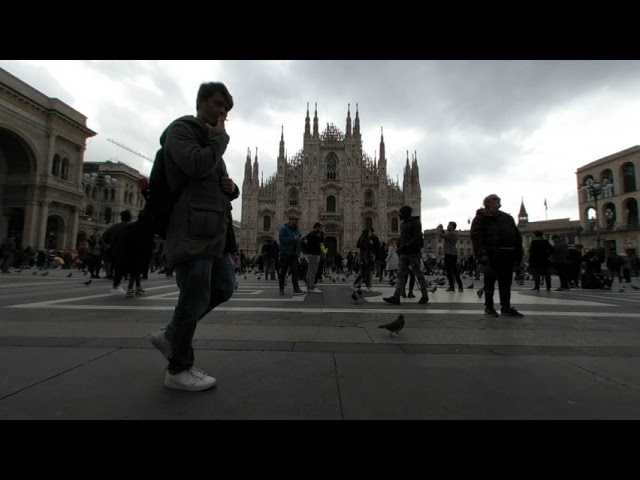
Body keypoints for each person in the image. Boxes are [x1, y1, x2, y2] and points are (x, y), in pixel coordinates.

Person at [148, 81, 238, 392]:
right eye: (217, 104)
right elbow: (197, 166)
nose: (222, 111)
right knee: (194, 296)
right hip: (190, 228)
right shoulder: (182, 131)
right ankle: (178, 369)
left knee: (225, 286)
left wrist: (231, 188)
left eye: (226, 107)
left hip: (214, 231)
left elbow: (212, 177)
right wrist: (220, 140)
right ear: (200, 102)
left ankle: (172, 334)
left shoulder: (210, 140)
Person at [470, 194, 524, 318]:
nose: (498, 200)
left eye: (498, 199)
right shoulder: (481, 217)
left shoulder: (507, 217)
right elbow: (476, 236)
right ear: (487, 203)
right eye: (494, 199)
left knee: (506, 282)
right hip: (491, 254)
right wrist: (481, 254)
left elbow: (517, 238)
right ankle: (489, 307)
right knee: (489, 281)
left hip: (507, 253)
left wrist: (517, 257)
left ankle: (506, 307)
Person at [383, 205, 430, 305]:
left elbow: (417, 237)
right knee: (400, 275)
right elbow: (403, 238)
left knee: (418, 275)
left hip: (413, 253)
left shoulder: (416, 222)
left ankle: (425, 295)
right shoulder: (403, 224)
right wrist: (400, 248)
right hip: (403, 254)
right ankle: (396, 296)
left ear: (406, 213)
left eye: (401, 213)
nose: (399, 215)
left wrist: (405, 246)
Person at [102, 210, 132, 293]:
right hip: (128, 251)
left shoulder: (114, 227)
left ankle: (116, 285)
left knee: (117, 268)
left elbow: (104, 236)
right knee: (125, 269)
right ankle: (119, 286)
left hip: (115, 250)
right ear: (130, 218)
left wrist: (111, 243)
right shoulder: (131, 227)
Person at [278, 215, 304, 296]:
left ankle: (296, 288)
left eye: (297, 220)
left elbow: (298, 241)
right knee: (283, 272)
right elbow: (281, 239)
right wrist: (293, 239)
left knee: (295, 272)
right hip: (285, 253)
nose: (296, 221)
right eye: (295, 220)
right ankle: (281, 289)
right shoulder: (283, 229)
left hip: (294, 254)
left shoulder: (297, 230)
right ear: (290, 220)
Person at [436, 221, 464, 292]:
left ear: (452, 226)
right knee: (453, 271)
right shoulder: (452, 233)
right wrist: (442, 230)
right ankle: (457, 286)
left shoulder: (452, 234)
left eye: (448, 225)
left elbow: (442, 236)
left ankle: (455, 286)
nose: (447, 226)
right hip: (451, 254)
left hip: (450, 254)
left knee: (451, 271)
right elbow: (445, 235)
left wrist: (439, 230)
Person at [303, 222, 324, 293]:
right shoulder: (313, 235)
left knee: (309, 270)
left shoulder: (309, 235)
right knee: (313, 271)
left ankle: (308, 286)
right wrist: (321, 235)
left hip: (310, 254)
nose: (321, 229)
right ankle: (312, 287)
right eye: (320, 228)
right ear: (317, 227)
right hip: (314, 254)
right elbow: (321, 241)